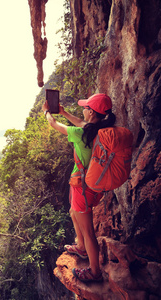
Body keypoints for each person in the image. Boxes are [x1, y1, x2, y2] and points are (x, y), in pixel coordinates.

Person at [42, 93, 116, 282]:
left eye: (85, 107)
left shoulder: (81, 133)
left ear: (91, 112)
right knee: (73, 212)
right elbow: (83, 124)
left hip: (81, 186)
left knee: (88, 230)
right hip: (92, 185)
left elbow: (54, 125)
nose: (83, 110)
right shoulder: (101, 129)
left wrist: (46, 113)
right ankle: (81, 247)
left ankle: (94, 271)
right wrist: (64, 112)